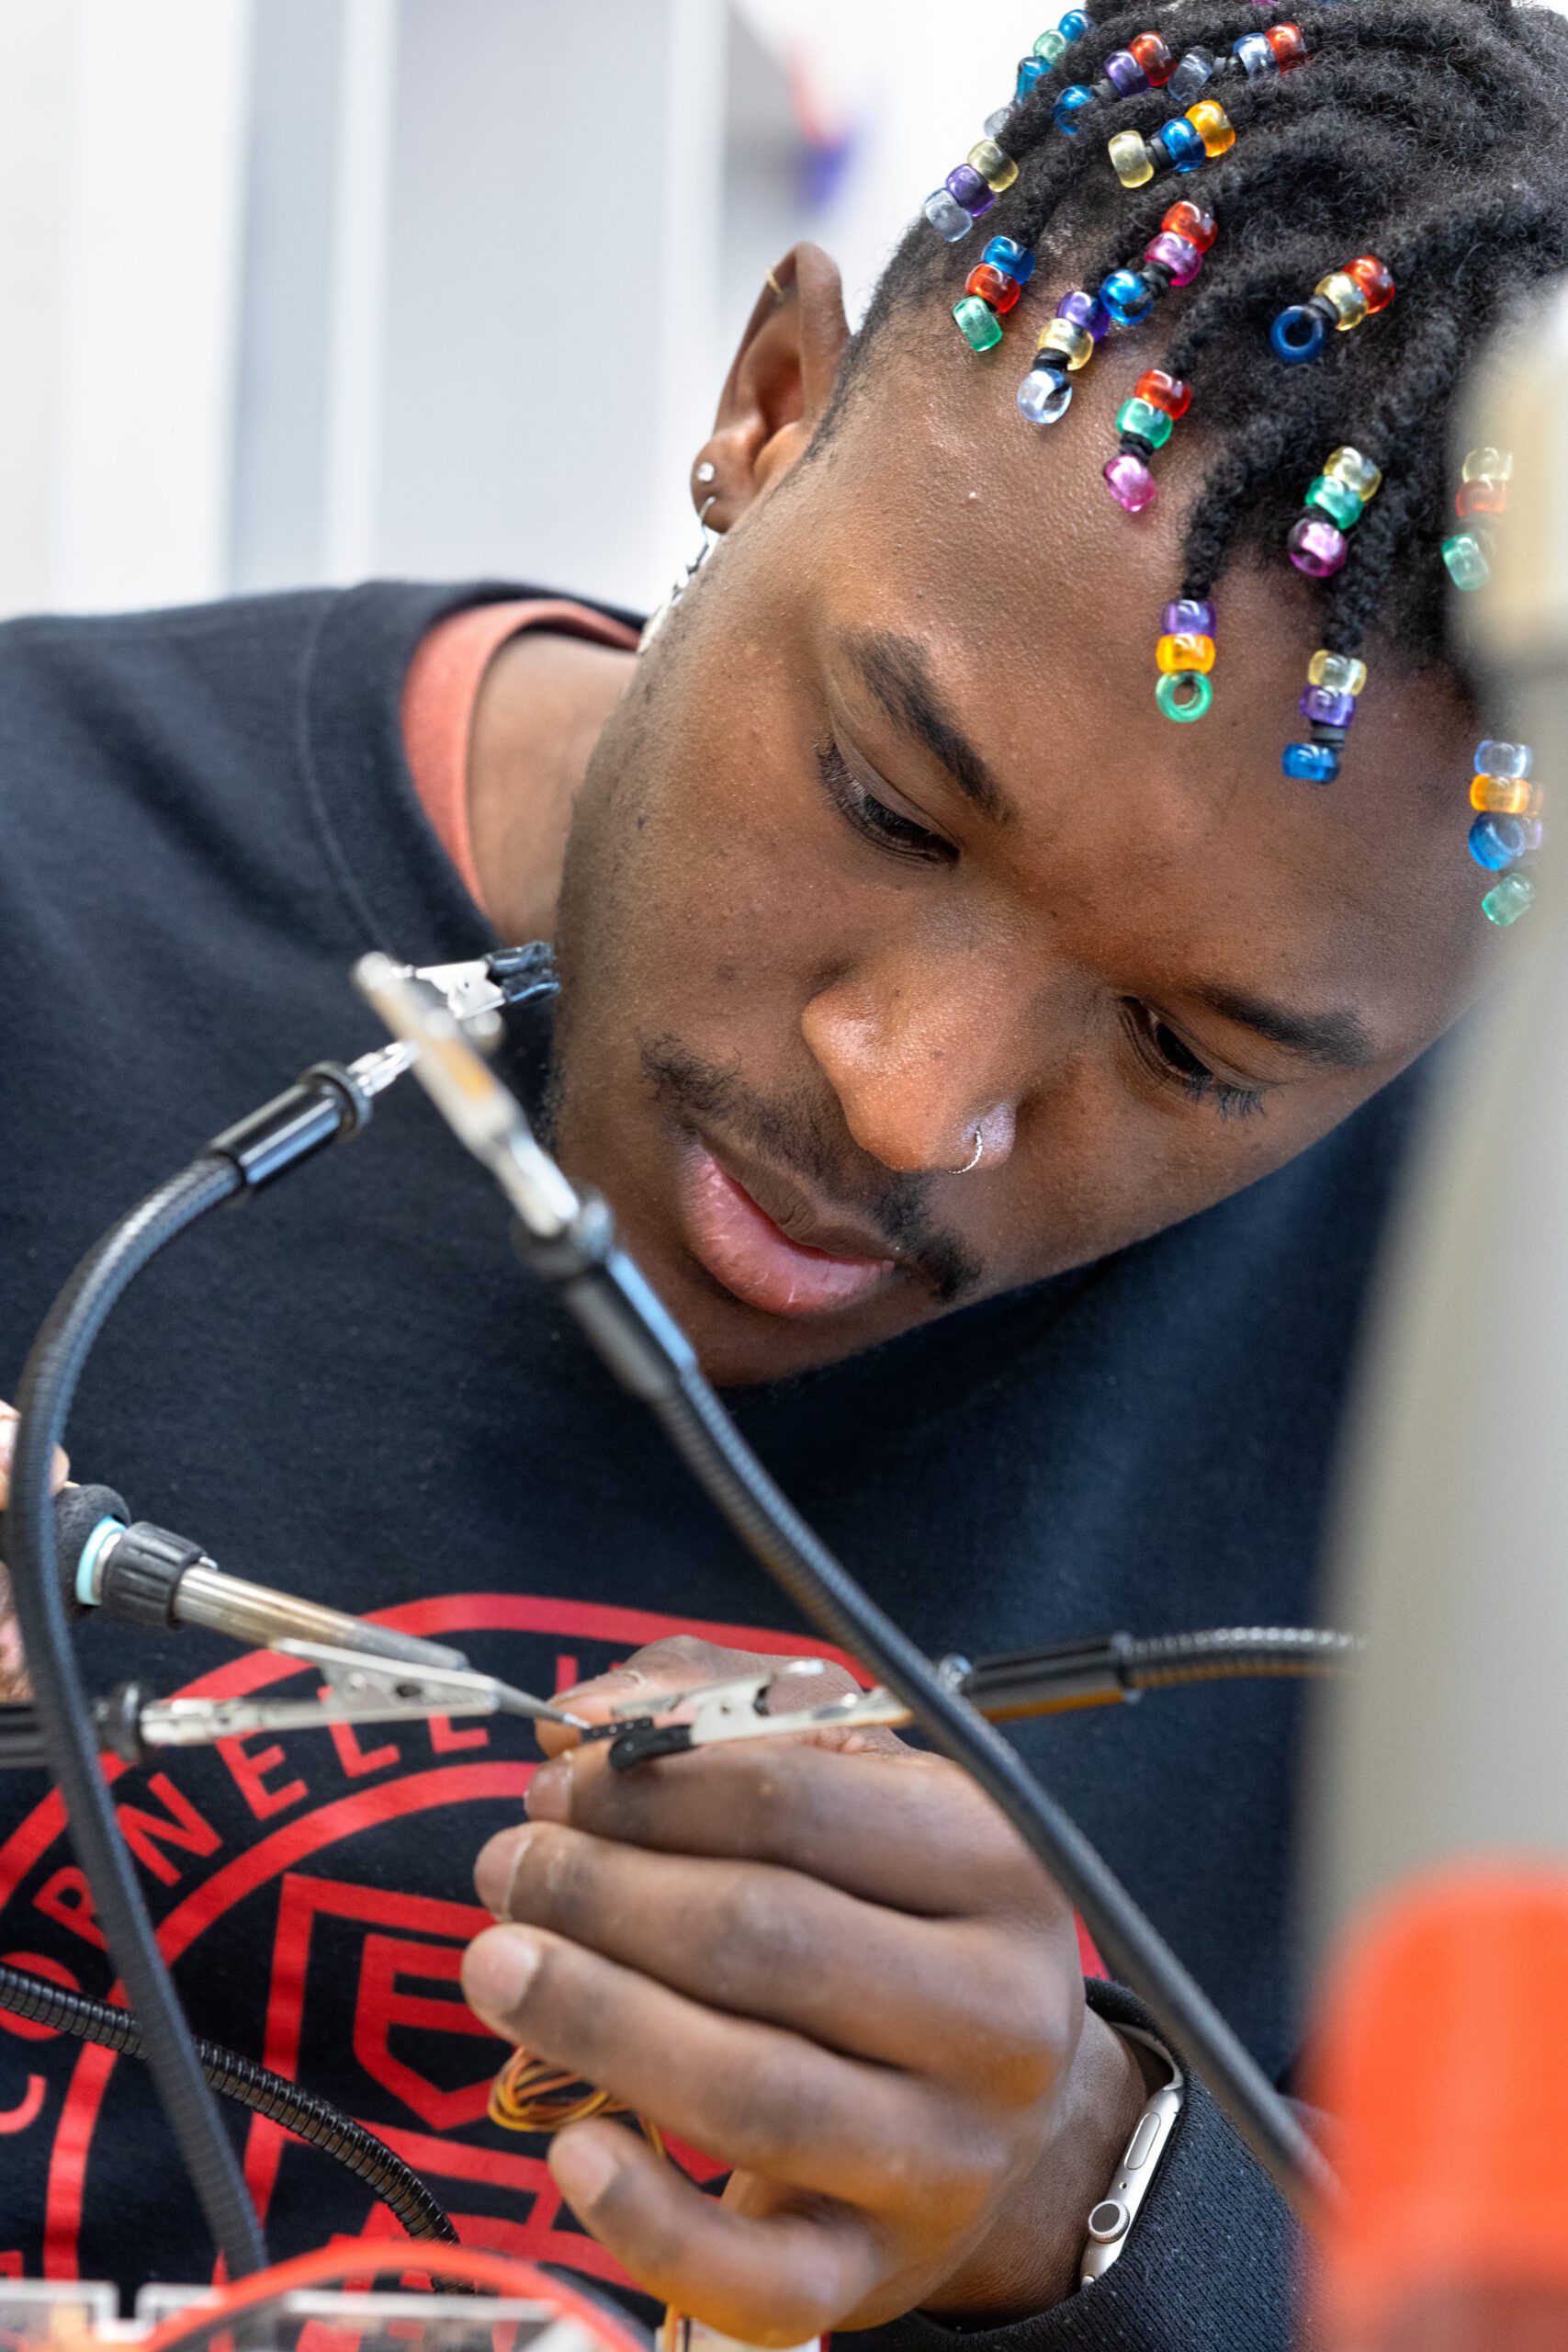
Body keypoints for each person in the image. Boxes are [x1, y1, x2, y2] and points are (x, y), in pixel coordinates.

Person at [0, 0, 1560, 2340]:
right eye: (888, 803)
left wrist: (1093, 2184)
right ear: (763, 407)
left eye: (1183, 1046)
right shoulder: (36, 867)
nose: (907, 1101)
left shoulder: (1494, 1404)